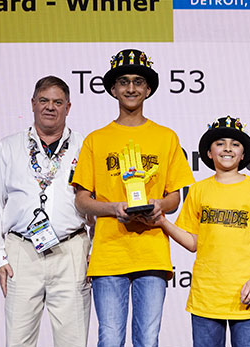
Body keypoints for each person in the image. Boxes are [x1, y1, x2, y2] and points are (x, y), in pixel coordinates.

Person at [72, 49, 195, 347]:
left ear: (148, 89)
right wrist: (114, 208)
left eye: (138, 81)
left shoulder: (166, 137)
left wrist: (158, 206)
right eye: (124, 81)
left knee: (148, 340)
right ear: (113, 88)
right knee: (110, 339)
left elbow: (174, 198)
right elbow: (82, 200)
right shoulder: (95, 139)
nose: (131, 88)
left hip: (151, 252)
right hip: (109, 254)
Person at [154, 116, 250, 347]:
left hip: (247, 296)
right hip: (207, 296)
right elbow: (192, 241)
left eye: (235, 144)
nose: (228, 148)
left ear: (243, 154)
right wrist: (161, 222)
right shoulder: (198, 190)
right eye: (220, 143)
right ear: (208, 153)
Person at [0, 76, 91, 347]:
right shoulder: (8, 147)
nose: (50, 107)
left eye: (58, 102)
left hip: (72, 252)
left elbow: (97, 202)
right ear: (32, 104)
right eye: (44, 100)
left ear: (69, 107)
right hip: (21, 252)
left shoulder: (85, 146)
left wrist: (95, 251)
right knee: (18, 341)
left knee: (73, 342)